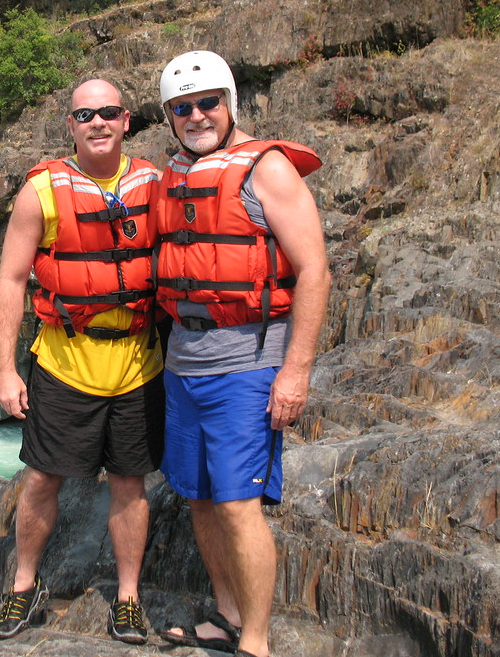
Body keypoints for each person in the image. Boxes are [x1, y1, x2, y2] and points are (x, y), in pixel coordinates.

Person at [155, 51, 331, 657]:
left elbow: (314, 270)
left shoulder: (268, 169)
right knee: (201, 497)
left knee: (237, 506)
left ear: (231, 103)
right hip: (184, 365)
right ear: (170, 117)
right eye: (183, 107)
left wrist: (296, 372)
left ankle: (256, 642)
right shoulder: (173, 174)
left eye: (208, 103)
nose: (197, 115)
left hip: (249, 365)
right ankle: (228, 616)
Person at [0, 78, 165, 644]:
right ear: (70, 124)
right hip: (65, 365)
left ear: (127, 119)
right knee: (42, 479)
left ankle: (128, 597)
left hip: (140, 366)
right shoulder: (40, 191)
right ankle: (22, 586)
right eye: (85, 114)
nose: (97, 122)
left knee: (129, 484)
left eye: (108, 112)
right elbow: (11, 280)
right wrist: (4, 368)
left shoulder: (157, 186)